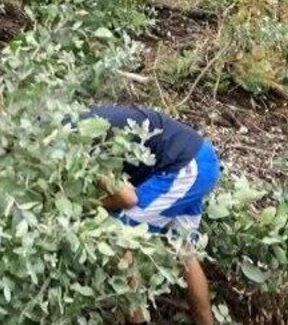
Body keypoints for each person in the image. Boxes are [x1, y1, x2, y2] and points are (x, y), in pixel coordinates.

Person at [87, 104, 220, 325]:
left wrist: (89, 206)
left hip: (184, 168)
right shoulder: (89, 121)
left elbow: (128, 199)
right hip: (201, 158)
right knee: (182, 249)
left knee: (121, 234)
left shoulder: (81, 142)